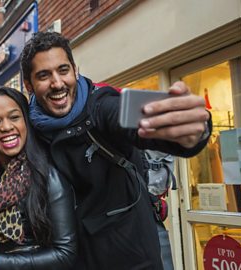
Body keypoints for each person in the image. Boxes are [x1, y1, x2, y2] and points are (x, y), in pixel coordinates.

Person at [20, 32, 211, 269]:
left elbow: (135, 121)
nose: (57, 83)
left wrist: (189, 132)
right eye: (44, 75)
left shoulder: (101, 105)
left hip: (131, 256)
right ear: (28, 85)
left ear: (75, 70)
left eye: (63, 70)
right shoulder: (30, 129)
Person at [0, 86, 77, 270]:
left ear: (26, 122)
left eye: (14, 117)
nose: (7, 127)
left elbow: (66, 254)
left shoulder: (48, 176)